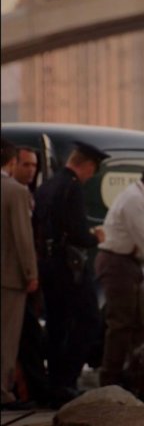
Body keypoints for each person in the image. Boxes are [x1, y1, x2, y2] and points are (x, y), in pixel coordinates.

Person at [32, 141, 107, 407]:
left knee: (57, 324)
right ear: (86, 165)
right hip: (68, 267)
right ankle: (66, 380)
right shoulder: (72, 187)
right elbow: (76, 231)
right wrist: (94, 237)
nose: (89, 177)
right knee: (88, 319)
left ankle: (54, 383)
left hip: (48, 265)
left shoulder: (47, 186)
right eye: (92, 171)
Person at [95, 165, 144, 388]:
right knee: (120, 323)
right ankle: (110, 378)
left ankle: (135, 374)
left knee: (142, 323)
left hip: (130, 264)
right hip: (117, 263)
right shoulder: (134, 201)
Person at [1, 139, 39, 407]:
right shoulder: (15, 192)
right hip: (9, 277)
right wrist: (31, 273)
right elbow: (23, 238)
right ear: (12, 162)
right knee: (6, 338)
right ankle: (2, 391)